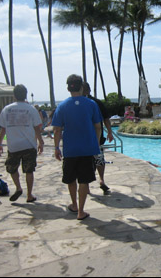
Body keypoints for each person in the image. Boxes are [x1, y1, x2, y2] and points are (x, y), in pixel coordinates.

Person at [52, 74, 102, 220]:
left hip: (70, 150)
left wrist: (56, 148)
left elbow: (56, 129)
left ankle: (74, 204)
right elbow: (98, 126)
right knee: (84, 180)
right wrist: (96, 143)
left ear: (68, 88)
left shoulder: (62, 106)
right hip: (87, 149)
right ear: (81, 87)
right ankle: (81, 211)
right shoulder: (91, 104)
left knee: (71, 178)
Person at [0, 84, 44, 203]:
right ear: (26, 94)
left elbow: (3, 129)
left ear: (14, 95)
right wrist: (41, 142)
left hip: (13, 146)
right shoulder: (31, 109)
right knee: (29, 170)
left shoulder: (7, 109)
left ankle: (18, 187)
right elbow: (37, 128)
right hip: (29, 145)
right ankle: (29, 195)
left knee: (12, 168)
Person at [83, 82, 113, 195]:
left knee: (86, 162)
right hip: (97, 136)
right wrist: (110, 132)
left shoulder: (80, 103)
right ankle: (101, 180)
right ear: (89, 90)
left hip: (84, 138)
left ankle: (86, 185)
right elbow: (106, 119)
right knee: (99, 159)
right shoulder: (97, 102)